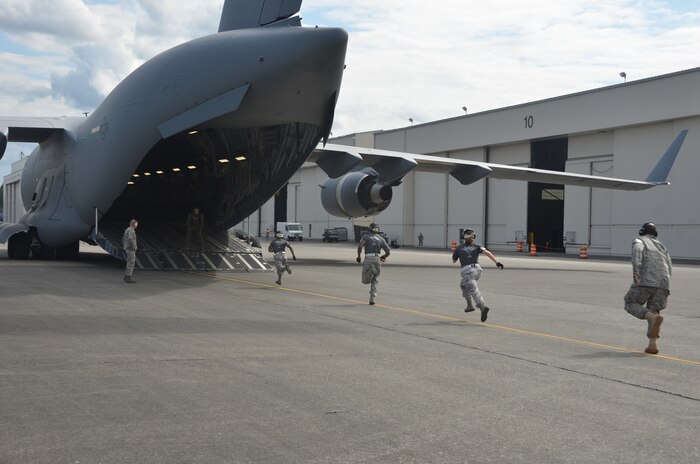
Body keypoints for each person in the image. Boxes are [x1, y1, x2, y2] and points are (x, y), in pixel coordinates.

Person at [623, 222, 672, 354]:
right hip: (664, 283)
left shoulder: (640, 240)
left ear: (641, 231)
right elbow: (669, 264)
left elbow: (637, 251)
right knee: (655, 311)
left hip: (646, 280)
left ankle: (650, 316)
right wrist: (666, 284)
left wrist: (636, 271)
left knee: (630, 303)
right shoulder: (662, 246)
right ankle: (653, 344)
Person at [452, 228, 503, 322]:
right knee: (463, 285)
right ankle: (469, 305)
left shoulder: (459, 248)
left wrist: (458, 254)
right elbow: (487, 253)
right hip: (477, 270)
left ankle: (482, 307)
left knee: (473, 290)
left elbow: (454, 261)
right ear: (474, 237)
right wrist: (497, 262)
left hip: (467, 271)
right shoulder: (477, 246)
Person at [356, 223, 391, 305]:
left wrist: (358, 256)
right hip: (377, 259)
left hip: (368, 258)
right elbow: (388, 251)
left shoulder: (366, 236)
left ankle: (371, 270)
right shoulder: (381, 239)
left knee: (365, 280)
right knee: (375, 280)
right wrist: (384, 257)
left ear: (370, 229)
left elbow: (360, 246)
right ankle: (372, 299)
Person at [122, 219, 138, 283]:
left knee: (129, 262)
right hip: (130, 249)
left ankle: (126, 276)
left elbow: (123, 238)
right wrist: (134, 247)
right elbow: (130, 238)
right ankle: (128, 277)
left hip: (128, 248)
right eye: (137, 224)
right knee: (131, 262)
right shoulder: (131, 230)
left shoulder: (127, 229)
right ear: (135, 224)